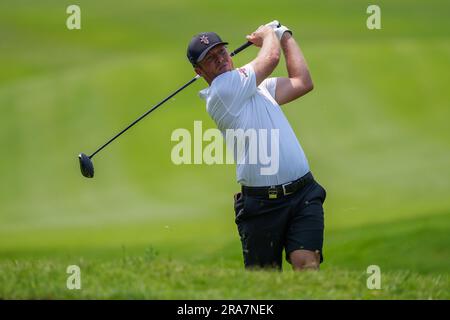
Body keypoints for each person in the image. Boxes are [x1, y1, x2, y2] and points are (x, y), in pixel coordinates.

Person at [186, 21, 327, 271]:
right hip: (262, 205)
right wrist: (269, 34)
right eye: (211, 58)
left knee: (306, 265)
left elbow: (302, 82)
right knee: (264, 283)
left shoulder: (254, 87)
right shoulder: (222, 91)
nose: (220, 59)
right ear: (199, 71)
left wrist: (285, 36)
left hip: (304, 193)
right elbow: (271, 58)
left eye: (222, 52)